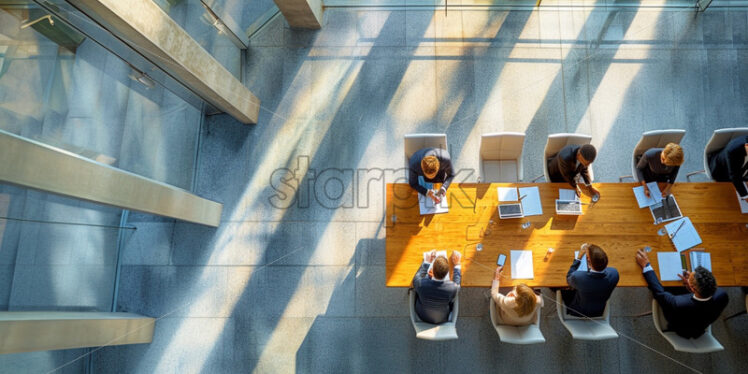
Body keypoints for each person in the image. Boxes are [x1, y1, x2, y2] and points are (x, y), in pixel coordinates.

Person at [635, 249, 729, 338]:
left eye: (690, 279)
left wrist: (646, 265)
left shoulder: (678, 303)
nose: (688, 273)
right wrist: (690, 284)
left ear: (693, 288)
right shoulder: (723, 295)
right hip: (699, 325)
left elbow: (660, 293)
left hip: (680, 327)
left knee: (659, 286)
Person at [562, 243, 619, 317]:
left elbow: (569, 277)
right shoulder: (614, 273)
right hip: (599, 310)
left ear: (588, 260)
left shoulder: (578, 277)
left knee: (557, 287)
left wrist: (578, 258)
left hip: (578, 311)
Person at [412, 250, 461, 324]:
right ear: (447, 272)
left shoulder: (421, 284)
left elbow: (417, 277)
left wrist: (427, 262)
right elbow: (457, 283)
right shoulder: (453, 288)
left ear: (432, 270)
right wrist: (457, 265)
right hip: (442, 318)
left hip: (422, 315)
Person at [708, 135, 748, 203]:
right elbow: (734, 176)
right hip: (722, 171)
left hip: (742, 173)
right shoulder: (733, 150)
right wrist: (746, 197)